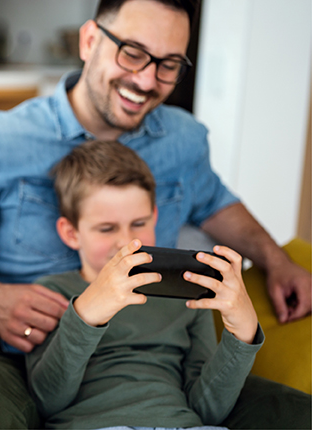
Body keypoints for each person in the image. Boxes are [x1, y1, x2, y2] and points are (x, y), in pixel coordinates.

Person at [0, 0, 311, 428]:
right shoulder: (2, 142)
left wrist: (277, 262)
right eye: (132, 52)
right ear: (90, 40)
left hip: (157, 361)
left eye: (168, 65)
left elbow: (217, 204)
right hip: (37, 354)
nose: (147, 79)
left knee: (292, 410)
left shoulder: (182, 140)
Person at [27, 139, 263, 429]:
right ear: (71, 232)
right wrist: (86, 314)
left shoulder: (189, 295)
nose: (127, 242)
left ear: (155, 218)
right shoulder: (51, 292)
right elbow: (46, 401)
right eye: (106, 228)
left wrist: (243, 335)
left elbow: (207, 409)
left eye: (138, 223)